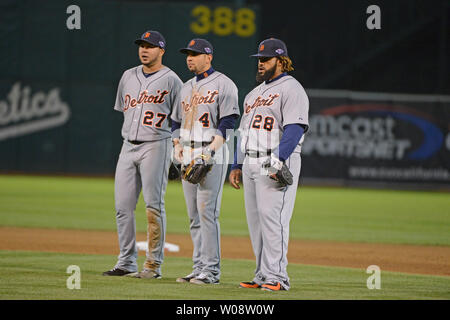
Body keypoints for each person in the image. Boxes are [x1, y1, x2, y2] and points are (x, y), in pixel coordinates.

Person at [229, 38, 309, 291]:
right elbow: (242, 133)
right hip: (251, 160)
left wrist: (277, 160)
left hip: (273, 159)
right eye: (259, 60)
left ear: (281, 60)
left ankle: (278, 277)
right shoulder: (253, 94)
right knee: (256, 221)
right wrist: (236, 165)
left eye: (265, 59)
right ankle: (263, 274)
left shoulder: (291, 88)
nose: (261, 63)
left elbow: (295, 128)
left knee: (273, 219)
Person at [103, 30, 183, 279]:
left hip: (156, 145)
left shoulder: (172, 80)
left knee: (153, 206)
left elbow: (179, 119)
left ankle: (153, 266)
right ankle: (126, 262)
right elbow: (124, 110)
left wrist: (174, 152)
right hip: (127, 145)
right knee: (122, 208)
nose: (144, 50)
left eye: (150, 46)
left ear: (161, 51)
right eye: (141, 45)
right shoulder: (128, 76)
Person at [171, 38, 240, 284]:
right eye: (188, 54)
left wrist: (211, 151)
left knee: (207, 213)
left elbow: (229, 122)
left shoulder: (224, 83)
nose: (189, 57)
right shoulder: (186, 86)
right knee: (193, 215)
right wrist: (176, 145)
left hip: (211, 150)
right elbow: (176, 121)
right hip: (188, 151)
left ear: (208, 57)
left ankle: (211, 272)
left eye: (195, 53)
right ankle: (198, 266)